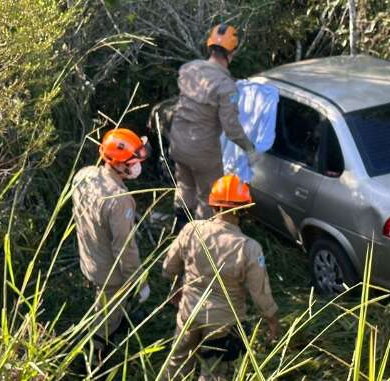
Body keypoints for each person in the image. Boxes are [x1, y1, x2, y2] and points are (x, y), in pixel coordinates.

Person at [162, 174, 279, 381]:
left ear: (213, 205)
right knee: (214, 372)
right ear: (243, 209)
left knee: (177, 361)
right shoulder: (249, 248)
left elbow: (169, 267)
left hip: (188, 312)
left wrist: (175, 288)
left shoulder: (191, 229)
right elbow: (260, 293)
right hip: (223, 322)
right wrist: (272, 320)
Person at [72, 128, 151, 353]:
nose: (138, 165)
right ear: (119, 164)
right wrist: (139, 283)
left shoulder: (84, 175)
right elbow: (125, 249)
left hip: (88, 258)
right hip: (109, 275)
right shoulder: (120, 201)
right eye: (134, 161)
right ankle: (94, 358)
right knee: (105, 319)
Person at [169, 23, 256, 226]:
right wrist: (249, 149)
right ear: (231, 53)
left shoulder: (189, 68)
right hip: (203, 151)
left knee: (184, 184)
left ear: (210, 47)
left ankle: (179, 228)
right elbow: (231, 129)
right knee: (209, 197)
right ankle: (200, 242)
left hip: (178, 142)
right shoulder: (226, 87)